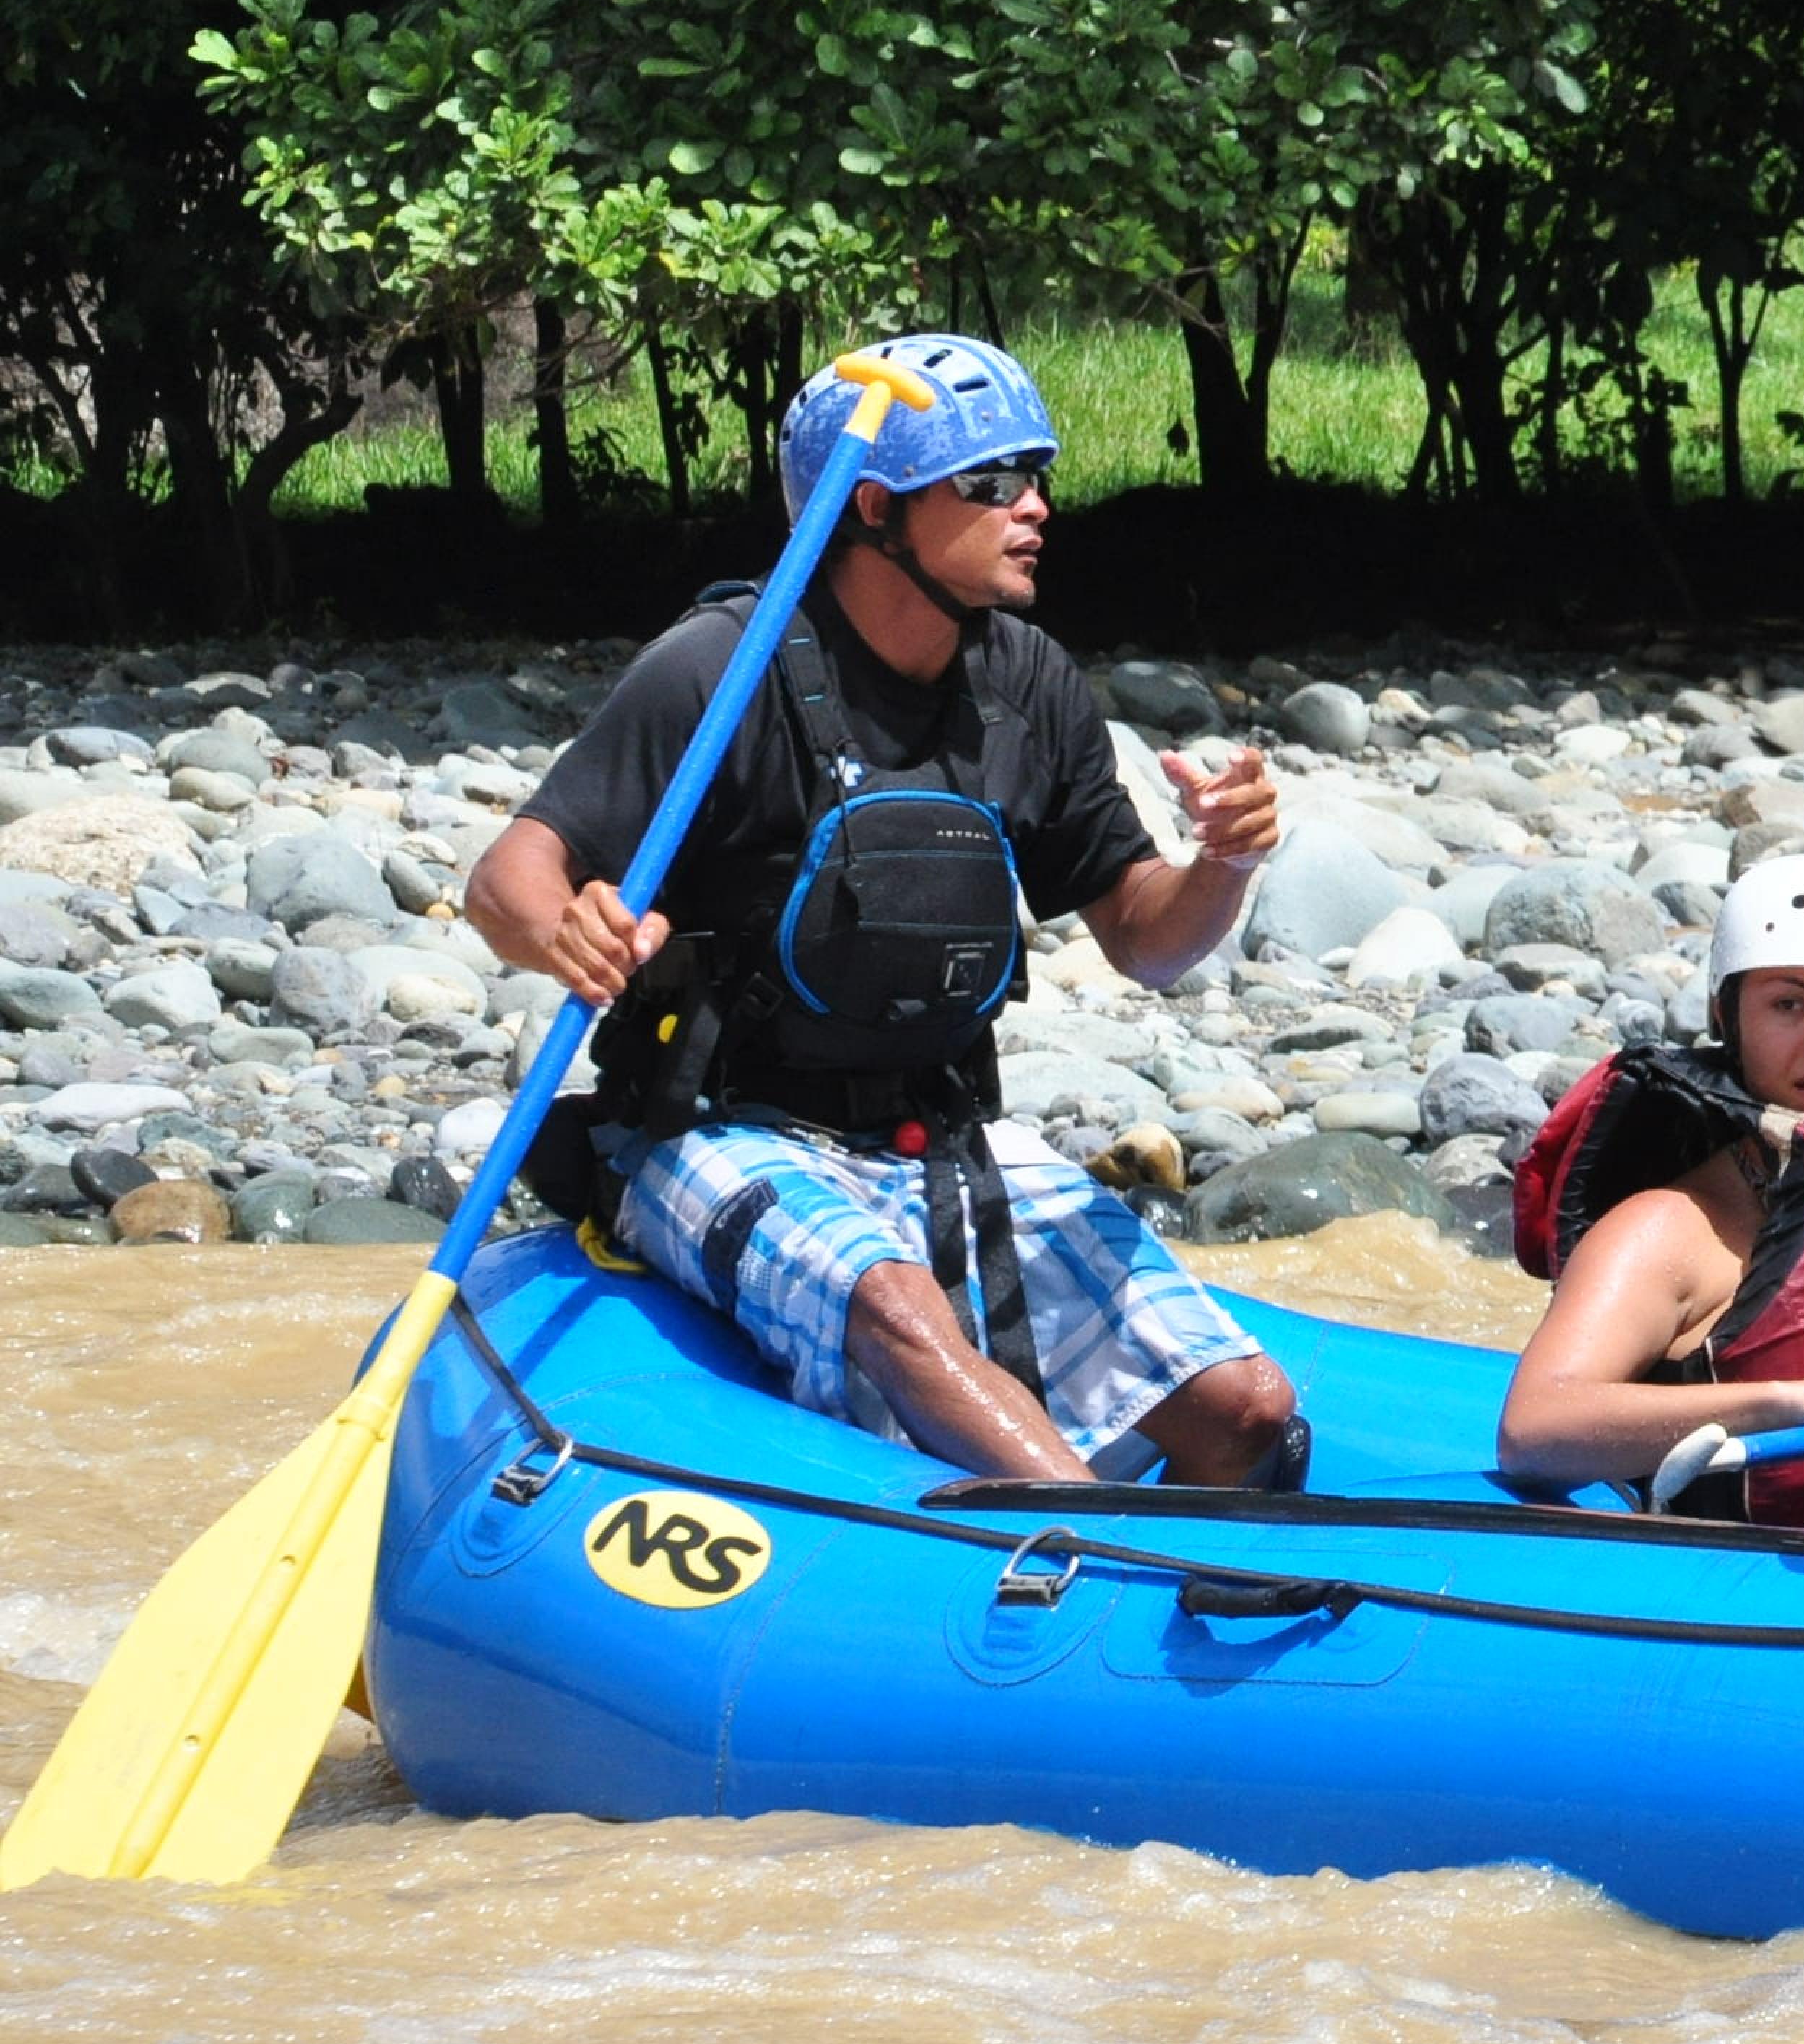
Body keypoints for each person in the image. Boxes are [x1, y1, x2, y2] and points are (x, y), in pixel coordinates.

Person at [469, 333, 1304, 1489]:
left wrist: (1220, 861)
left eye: (1035, 475)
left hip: (940, 1132)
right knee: (899, 1305)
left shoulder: (1029, 682)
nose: (1037, 508)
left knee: (1249, 1410)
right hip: (718, 1128)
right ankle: (1090, 1545)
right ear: (876, 508)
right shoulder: (720, 669)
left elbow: (1146, 940)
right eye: (992, 481)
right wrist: (563, 925)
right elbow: (510, 871)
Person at [1497, 853, 1804, 1529]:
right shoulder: (1669, 1228)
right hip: (1740, 1586)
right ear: (1728, 1018)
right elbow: (1534, 1426)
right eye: (1788, 1003)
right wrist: (1799, 1400)